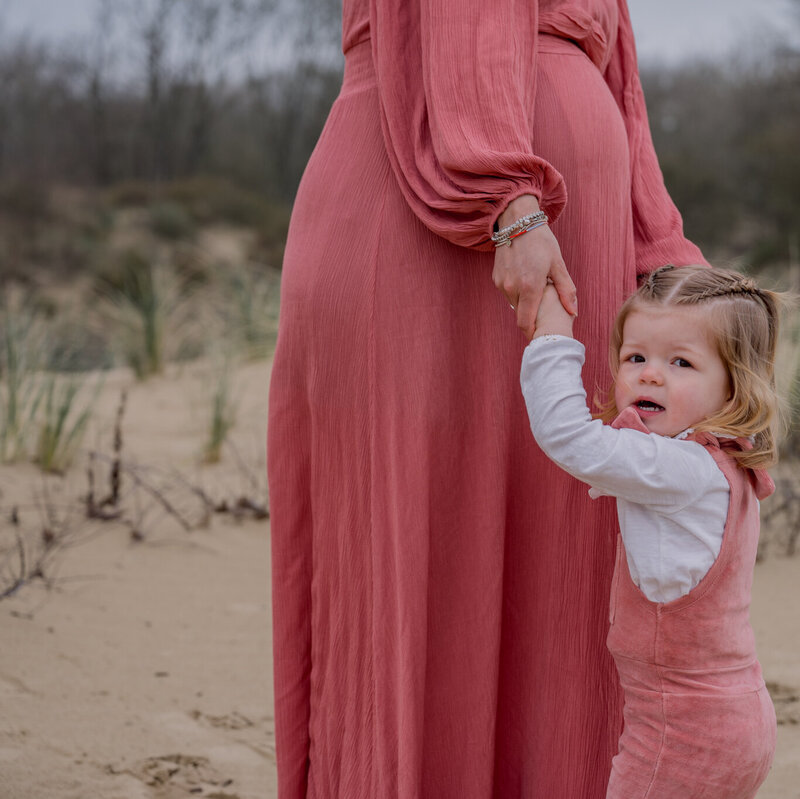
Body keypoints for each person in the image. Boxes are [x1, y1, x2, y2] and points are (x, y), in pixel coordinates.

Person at [267, 0, 706, 796]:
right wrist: (504, 191)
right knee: (427, 557)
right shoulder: (504, 193)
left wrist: (664, 253)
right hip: (453, 204)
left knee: (567, 549)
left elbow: (623, 87)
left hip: (557, 222)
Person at [520, 266, 782, 797]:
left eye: (680, 362)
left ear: (734, 387)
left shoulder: (681, 469)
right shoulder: (722, 466)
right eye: (635, 357)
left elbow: (568, 437)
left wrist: (552, 333)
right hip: (738, 718)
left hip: (682, 733)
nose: (650, 375)